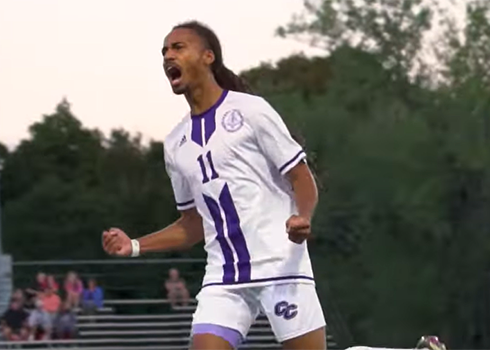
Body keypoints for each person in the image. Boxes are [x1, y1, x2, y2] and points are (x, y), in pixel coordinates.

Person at [101, 20, 447, 350]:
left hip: (281, 266)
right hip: (224, 278)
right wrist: (133, 245)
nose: (168, 57)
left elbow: (301, 177)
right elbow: (192, 225)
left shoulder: (251, 111)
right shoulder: (175, 143)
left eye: (178, 47)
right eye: (164, 52)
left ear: (208, 57)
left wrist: (303, 217)